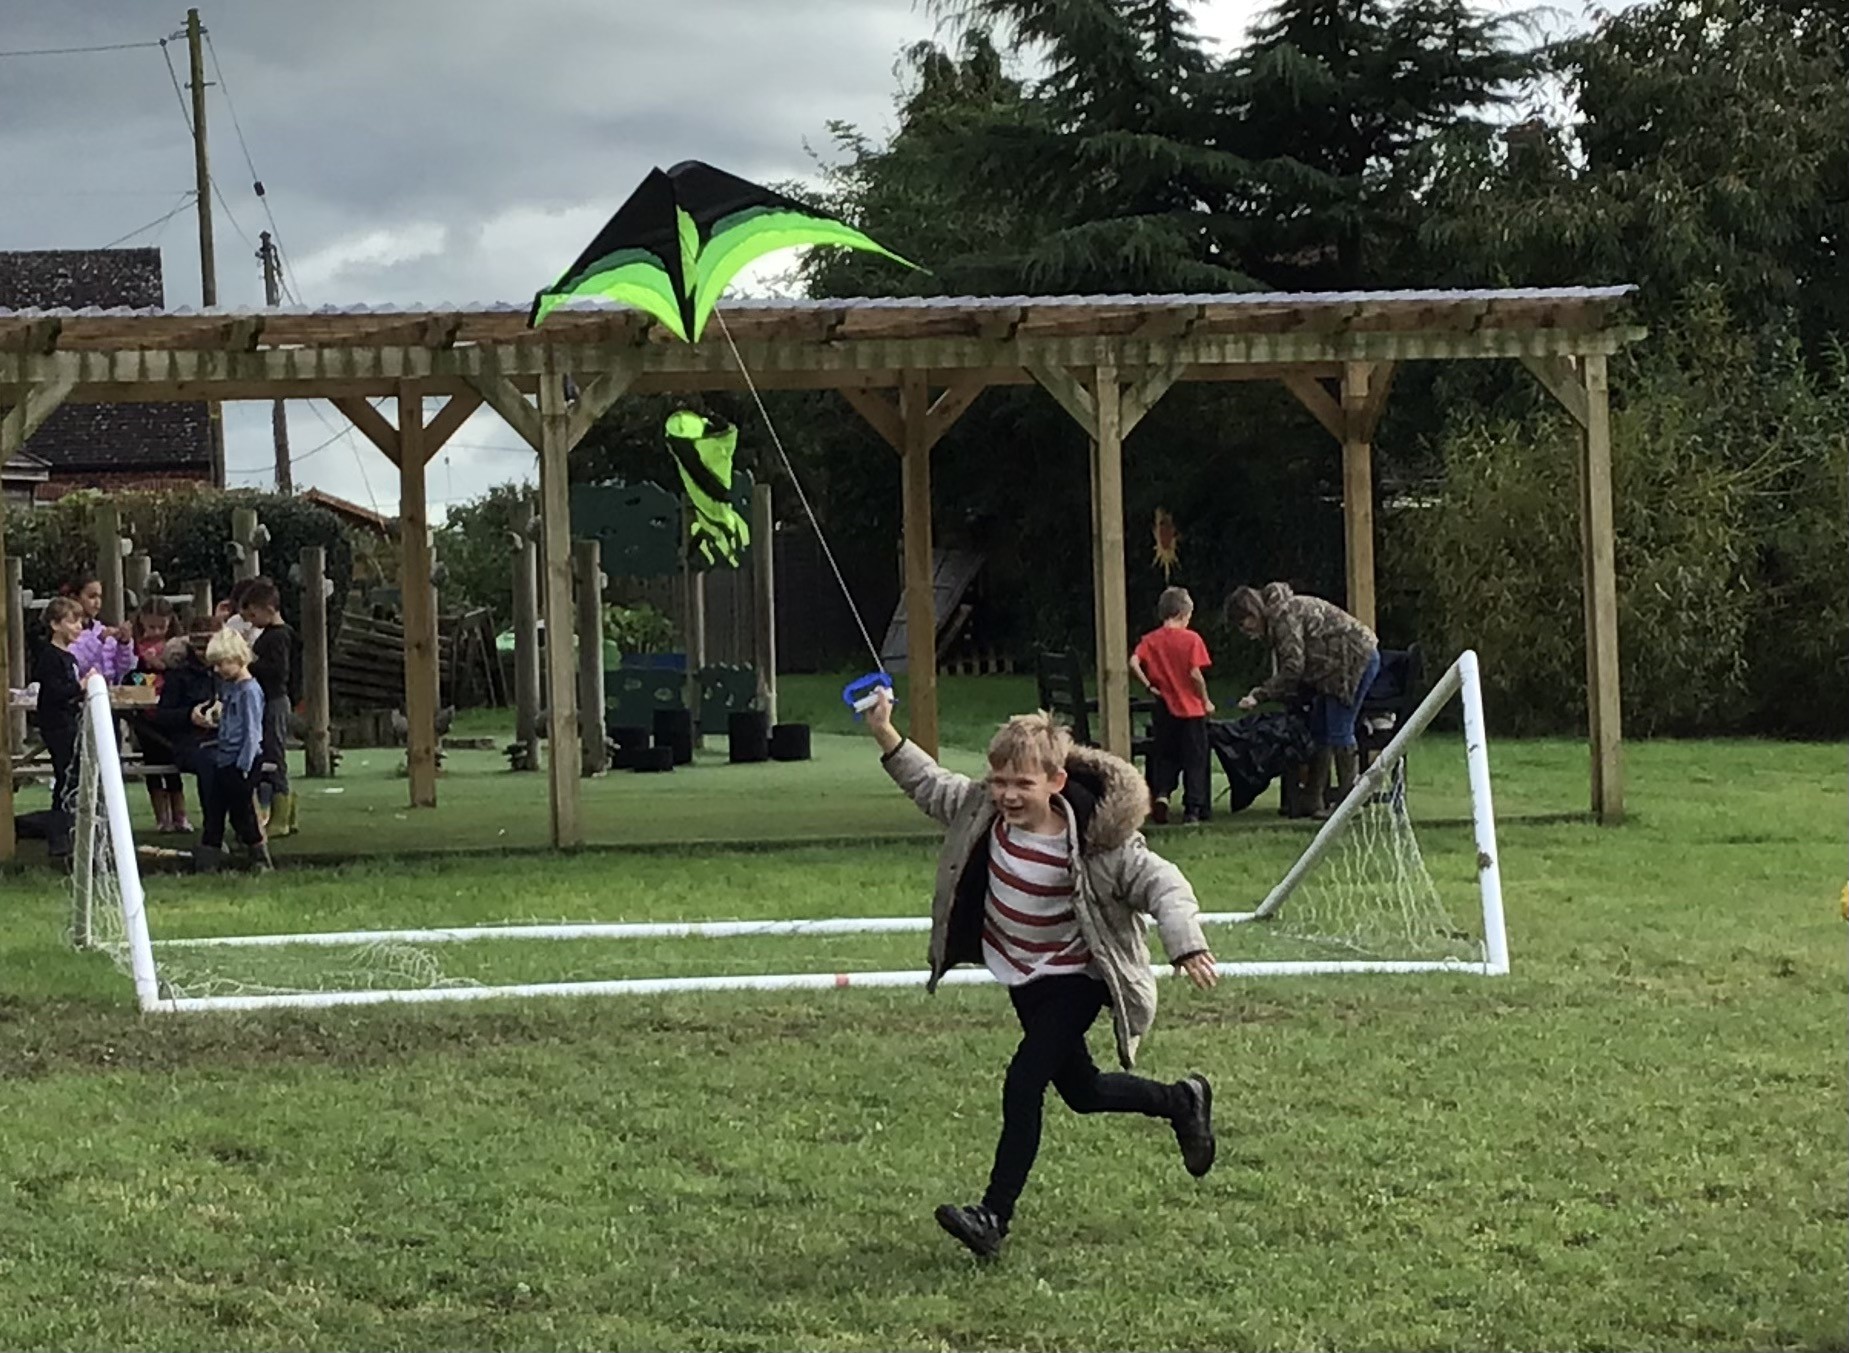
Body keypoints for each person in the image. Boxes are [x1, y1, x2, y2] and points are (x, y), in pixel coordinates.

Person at [863, 689, 1219, 1259]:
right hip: (1024, 977)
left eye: (1022, 784)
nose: (1007, 794)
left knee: (1024, 1081)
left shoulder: (1101, 840)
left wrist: (1185, 944)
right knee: (1083, 1091)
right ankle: (1181, 1100)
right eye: (999, 781)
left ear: (1055, 781)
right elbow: (929, 784)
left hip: (1077, 977)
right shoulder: (981, 809)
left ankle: (992, 1216)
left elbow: (1164, 884)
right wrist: (885, 730)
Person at [1228, 581, 1380, 818]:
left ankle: (1348, 804)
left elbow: (1293, 667)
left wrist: (1260, 694)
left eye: (1242, 623)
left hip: (1352, 661)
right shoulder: (1281, 612)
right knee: (1320, 728)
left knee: (1339, 729)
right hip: (1334, 666)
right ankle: (1313, 800)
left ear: (1252, 612)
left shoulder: (1284, 617)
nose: (1244, 631)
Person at [1130, 585, 1215, 825]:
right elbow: (1195, 674)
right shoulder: (1192, 639)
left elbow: (1134, 662)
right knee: (1194, 759)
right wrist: (1206, 700)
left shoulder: (1151, 640)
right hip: (1192, 710)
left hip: (1164, 706)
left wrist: (1148, 685)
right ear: (1183, 613)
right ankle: (1193, 810)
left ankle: (1163, 794)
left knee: (1165, 755)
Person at [195, 628, 270, 872]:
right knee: (214, 810)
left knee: (243, 813)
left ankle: (259, 857)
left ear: (238, 659)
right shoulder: (229, 688)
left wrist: (244, 766)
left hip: (242, 761)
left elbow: (252, 733)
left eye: (222, 664)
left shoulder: (250, 691)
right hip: (223, 757)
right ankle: (208, 859)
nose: (218, 670)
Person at [140, 618, 221, 834]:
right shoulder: (179, 674)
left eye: (208, 647)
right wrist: (189, 716)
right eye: (199, 647)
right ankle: (213, 830)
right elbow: (162, 715)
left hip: (224, 739)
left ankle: (249, 830)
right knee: (210, 764)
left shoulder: (226, 671)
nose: (204, 653)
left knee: (240, 762)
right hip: (191, 742)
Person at [239, 578, 299, 836]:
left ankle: (281, 814)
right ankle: (286, 810)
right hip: (270, 699)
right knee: (271, 753)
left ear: (268, 608)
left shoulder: (278, 637)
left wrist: (249, 663)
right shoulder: (273, 636)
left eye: (253, 614)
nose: (251, 621)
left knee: (274, 755)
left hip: (274, 700)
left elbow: (279, 671)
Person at [128, 597, 190, 833]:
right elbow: (129, 677)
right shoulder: (135, 648)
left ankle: (180, 816)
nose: (155, 632)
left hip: (170, 710)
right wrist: (147, 668)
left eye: (160, 627)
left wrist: (167, 666)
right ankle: (162, 818)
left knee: (173, 765)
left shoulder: (177, 645)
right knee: (152, 763)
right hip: (146, 712)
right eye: (150, 627)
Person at [32, 596, 89, 851]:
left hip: (70, 722)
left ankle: (68, 826)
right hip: (57, 724)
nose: (78, 627)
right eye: (72, 621)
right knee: (66, 775)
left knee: (73, 774)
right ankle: (59, 833)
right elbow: (55, 692)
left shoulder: (70, 657)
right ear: (56, 625)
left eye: (80, 622)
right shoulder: (50, 657)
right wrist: (79, 687)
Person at [64, 576, 136, 686]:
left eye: (100, 597)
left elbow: (123, 668)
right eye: (92, 597)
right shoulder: (69, 633)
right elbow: (77, 663)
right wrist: (99, 640)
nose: (97, 602)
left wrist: (124, 643)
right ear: (75, 598)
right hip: (82, 691)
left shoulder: (102, 629)